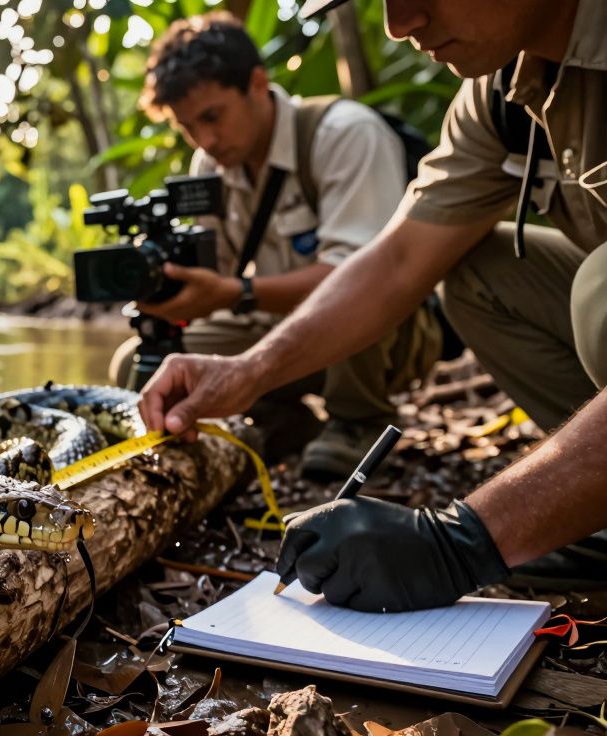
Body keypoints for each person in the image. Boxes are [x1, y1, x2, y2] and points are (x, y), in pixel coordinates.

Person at [139, 0, 607, 611]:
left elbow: (346, 261)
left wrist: (466, 539)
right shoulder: (500, 92)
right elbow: (397, 261)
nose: (398, 23)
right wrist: (245, 371)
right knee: (474, 267)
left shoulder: (339, 132)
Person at [117, 12, 440, 479]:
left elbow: (369, 276)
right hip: (280, 333)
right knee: (139, 367)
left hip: (384, 331)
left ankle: (359, 420)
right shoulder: (209, 166)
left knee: (354, 289)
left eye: (213, 116)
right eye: (189, 127)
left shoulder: (344, 133)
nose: (205, 139)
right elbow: (217, 278)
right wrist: (170, 292)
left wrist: (235, 293)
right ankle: (281, 418)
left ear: (256, 83)